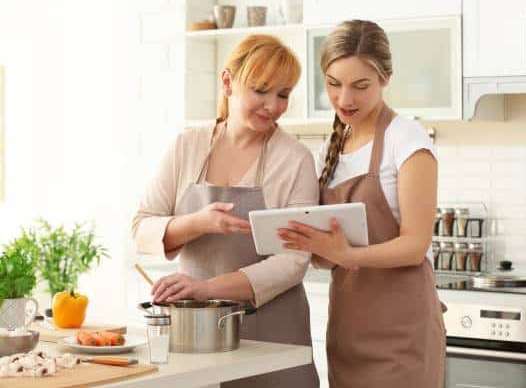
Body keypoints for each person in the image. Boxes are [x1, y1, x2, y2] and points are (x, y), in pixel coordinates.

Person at [132, 34, 319, 388]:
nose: (273, 105)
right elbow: (142, 226)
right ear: (228, 82)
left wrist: (206, 289)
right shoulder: (187, 146)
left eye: (283, 94)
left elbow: (293, 260)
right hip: (198, 338)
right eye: (261, 90)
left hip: (273, 335)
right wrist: (197, 223)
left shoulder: (294, 159)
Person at [277, 20, 446, 387]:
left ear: (386, 78)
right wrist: (315, 246)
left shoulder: (407, 139)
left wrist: (348, 255)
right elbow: (332, 253)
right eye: (334, 84)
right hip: (349, 331)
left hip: (402, 336)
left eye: (360, 86)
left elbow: (415, 245)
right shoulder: (331, 150)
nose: (345, 99)